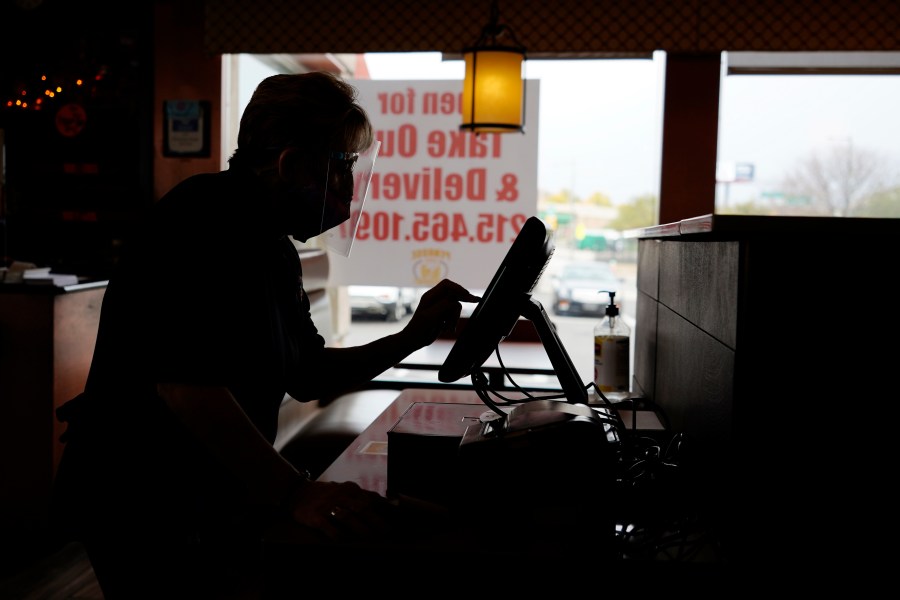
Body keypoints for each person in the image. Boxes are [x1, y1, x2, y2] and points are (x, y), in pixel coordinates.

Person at [50, 71, 479, 599]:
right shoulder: (202, 218)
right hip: (140, 492)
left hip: (202, 492)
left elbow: (308, 373)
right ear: (293, 164)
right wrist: (296, 493)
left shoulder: (272, 243)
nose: (348, 185)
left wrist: (413, 335)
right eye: (342, 165)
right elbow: (188, 386)